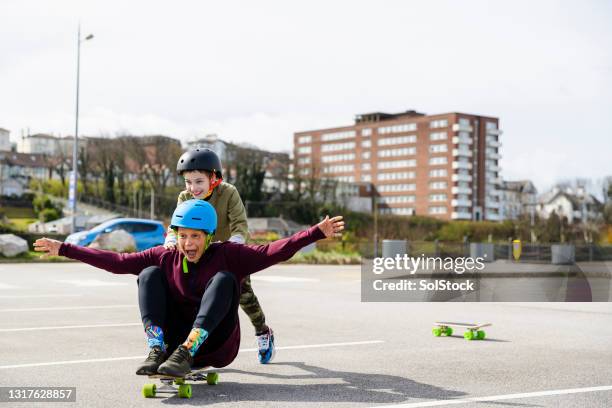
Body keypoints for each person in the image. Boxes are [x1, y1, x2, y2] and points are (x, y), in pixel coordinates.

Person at [34, 200, 344, 377]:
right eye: (183, 236)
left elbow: (272, 251)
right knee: (149, 273)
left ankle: (187, 351)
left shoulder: (227, 254)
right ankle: (158, 349)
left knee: (224, 279)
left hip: (218, 344)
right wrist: (65, 248)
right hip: (173, 344)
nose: (188, 244)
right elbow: (117, 261)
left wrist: (314, 233)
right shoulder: (165, 254)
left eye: (196, 237)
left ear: (208, 236)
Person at [166, 148, 276, 363]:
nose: (193, 188)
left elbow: (240, 224)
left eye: (198, 181)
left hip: (226, 254)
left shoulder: (228, 192)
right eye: (188, 182)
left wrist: (233, 245)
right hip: (197, 254)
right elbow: (176, 225)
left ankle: (263, 331)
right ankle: (192, 344)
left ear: (213, 177)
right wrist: (171, 238)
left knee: (245, 297)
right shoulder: (184, 197)